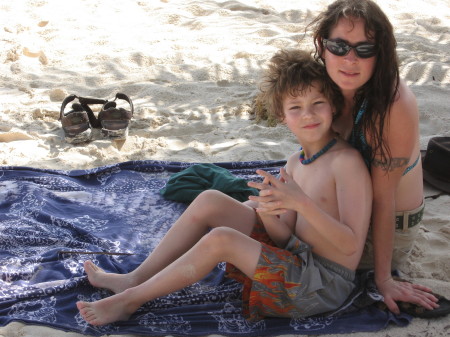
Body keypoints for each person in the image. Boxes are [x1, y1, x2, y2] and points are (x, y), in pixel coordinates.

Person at [76, 50, 372, 326]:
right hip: (296, 261)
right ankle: (134, 279)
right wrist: (270, 213)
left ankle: (130, 301)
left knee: (222, 240)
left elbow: (350, 246)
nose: (308, 115)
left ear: (332, 104)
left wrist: (301, 203)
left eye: (317, 103)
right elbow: (286, 239)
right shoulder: (296, 162)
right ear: (282, 116)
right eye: (296, 107)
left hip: (322, 285)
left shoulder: (345, 162)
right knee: (210, 200)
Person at [306, 0, 440, 314]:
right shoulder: (326, 83)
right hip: (348, 207)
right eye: (339, 46)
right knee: (230, 208)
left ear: (380, 55)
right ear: (321, 45)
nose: (350, 59)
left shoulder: (392, 105)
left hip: (387, 227)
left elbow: (384, 199)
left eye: (365, 49)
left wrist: (383, 279)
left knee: (256, 227)